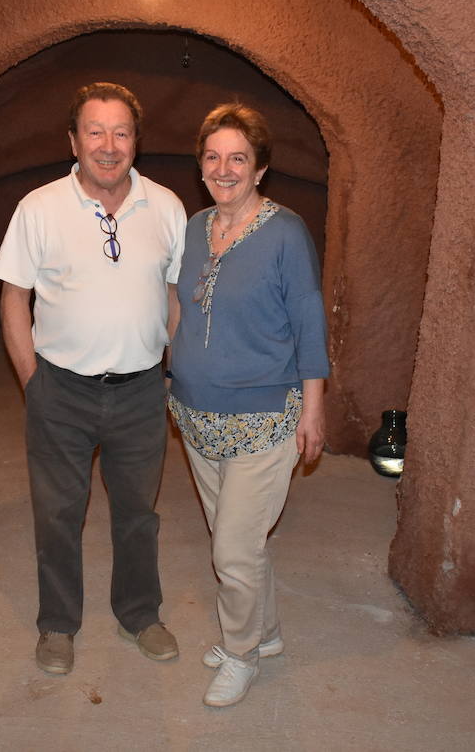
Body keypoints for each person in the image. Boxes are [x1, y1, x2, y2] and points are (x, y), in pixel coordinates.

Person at [0, 82, 187, 675]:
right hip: (61, 389)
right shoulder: (39, 207)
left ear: (136, 140)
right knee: (56, 514)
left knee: (138, 513)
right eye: (95, 132)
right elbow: (13, 299)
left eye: (121, 132)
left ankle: (140, 613)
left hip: (141, 392)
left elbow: (174, 296)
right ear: (73, 140)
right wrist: (34, 383)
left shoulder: (167, 207)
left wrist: (171, 372)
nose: (108, 145)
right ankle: (57, 625)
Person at [167, 103, 330, 707]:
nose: (224, 168)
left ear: (260, 168)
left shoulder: (285, 233)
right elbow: (181, 305)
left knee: (232, 548)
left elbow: (309, 325)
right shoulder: (194, 225)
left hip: (264, 415)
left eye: (238, 157)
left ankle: (240, 655)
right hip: (195, 413)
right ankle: (265, 635)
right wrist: (170, 369)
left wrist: (313, 409)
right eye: (213, 157)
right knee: (240, 541)